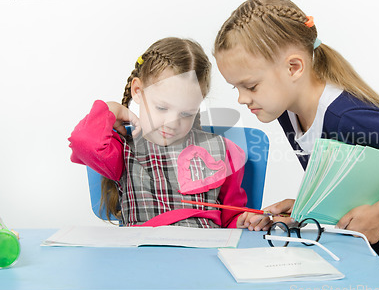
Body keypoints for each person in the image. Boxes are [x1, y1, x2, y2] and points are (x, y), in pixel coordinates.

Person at [214, 0, 379, 290]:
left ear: (293, 67)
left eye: (250, 86)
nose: (241, 98)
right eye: (235, 87)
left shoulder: (346, 117)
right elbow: (352, 176)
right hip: (377, 241)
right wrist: (308, 208)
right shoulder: (288, 113)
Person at [69, 37, 249, 229]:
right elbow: (83, 143)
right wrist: (111, 110)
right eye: (162, 108)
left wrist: (244, 221)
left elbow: (231, 218)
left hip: (200, 254)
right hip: (143, 254)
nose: (172, 124)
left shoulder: (222, 151)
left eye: (186, 113)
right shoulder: (123, 149)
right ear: (138, 91)